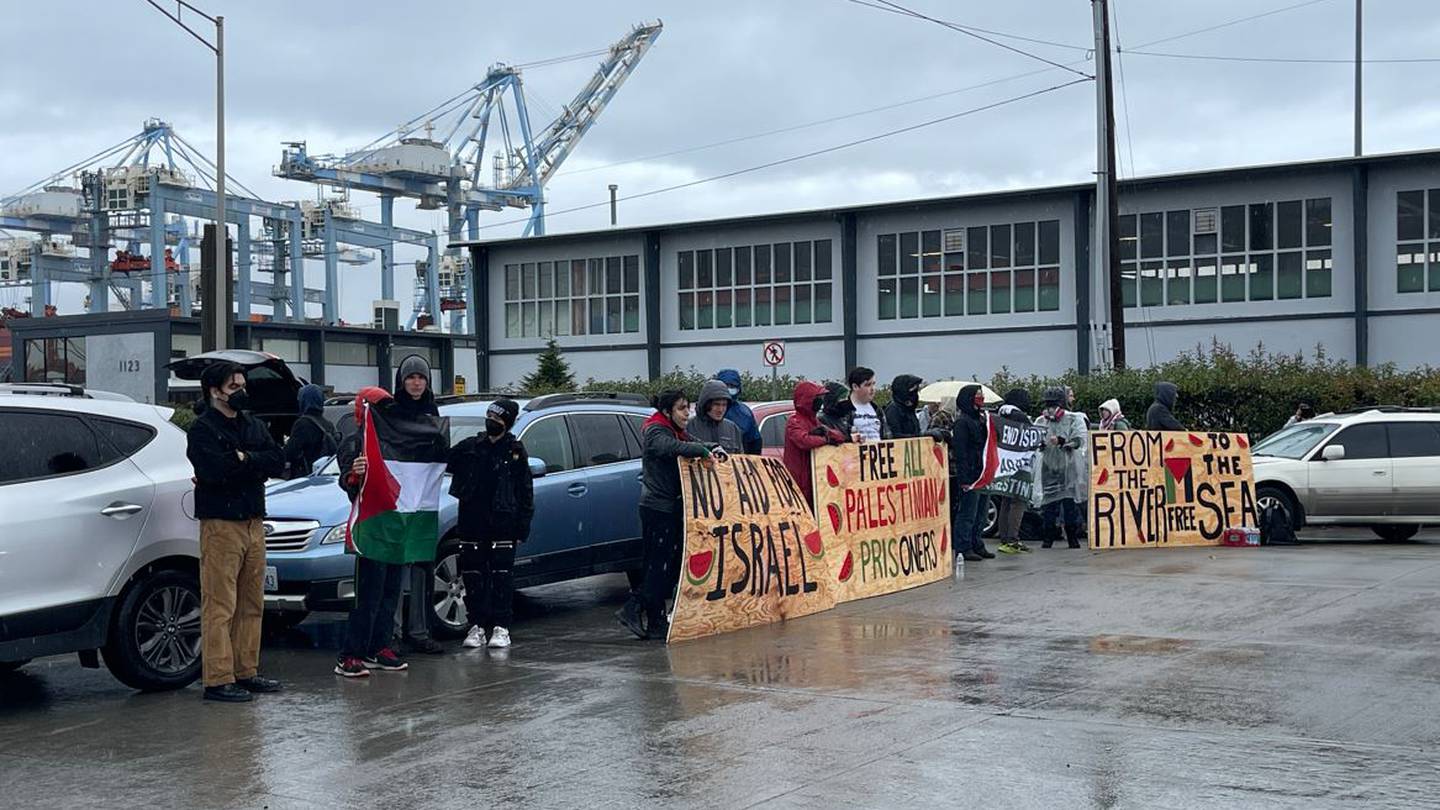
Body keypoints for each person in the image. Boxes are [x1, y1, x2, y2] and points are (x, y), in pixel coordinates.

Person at [186, 362, 286, 702]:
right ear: (215, 391)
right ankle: (218, 679)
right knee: (220, 604)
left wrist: (246, 459)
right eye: (233, 387)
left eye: (243, 385)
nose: (241, 392)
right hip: (221, 523)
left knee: (251, 602)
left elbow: (277, 459)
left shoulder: (252, 424)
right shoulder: (202, 429)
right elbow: (216, 470)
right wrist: (249, 463)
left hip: (254, 520)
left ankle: (246, 671)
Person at [617, 390, 723, 641]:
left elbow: (691, 442)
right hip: (657, 508)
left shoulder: (675, 431)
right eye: (681, 408)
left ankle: (655, 621)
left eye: (688, 408)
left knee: (666, 566)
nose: (687, 413)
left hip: (670, 507)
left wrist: (712, 447)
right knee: (658, 567)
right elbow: (672, 447)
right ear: (667, 412)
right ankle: (632, 607)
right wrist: (702, 450)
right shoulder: (657, 431)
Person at [334, 388, 411, 677]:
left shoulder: (394, 438)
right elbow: (347, 483)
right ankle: (351, 654)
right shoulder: (356, 441)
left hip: (395, 523)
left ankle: (379, 647)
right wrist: (353, 474)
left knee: (390, 591)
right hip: (370, 525)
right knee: (368, 594)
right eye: (381, 407)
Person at [447, 399, 533, 651]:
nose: (491, 422)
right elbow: (444, 460)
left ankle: (501, 627)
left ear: (507, 422)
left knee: (501, 575)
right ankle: (476, 625)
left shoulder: (515, 451)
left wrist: (522, 525)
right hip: (472, 521)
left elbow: (525, 490)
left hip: (503, 523)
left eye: (497, 419)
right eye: (489, 417)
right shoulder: (470, 447)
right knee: (473, 575)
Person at [392, 355, 445, 656]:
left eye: (421, 377)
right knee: (396, 568)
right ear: (402, 381)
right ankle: (393, 632)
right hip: (397, 502)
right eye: (411, 377)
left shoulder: (432, 412)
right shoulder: (390, 412)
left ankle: (419, 631)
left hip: (423, 501)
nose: (416, 383)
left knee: (421, 567)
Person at [1036, 386, 1086, 549]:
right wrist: (1040, 444)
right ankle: (1048, 538)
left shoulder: (1073, 419)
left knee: (1069, 505)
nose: (1050, 408)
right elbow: (1034, 440)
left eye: (1053, 404)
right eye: (1048, 404)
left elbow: (1080, 440)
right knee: (1048, 506)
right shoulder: (1041, 421)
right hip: (1048, 468)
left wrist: (1063, 441)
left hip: (1068, 468)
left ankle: (1072, 538)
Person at [784, 380, 847, 508]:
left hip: (814, 478)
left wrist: (827, 433)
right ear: (807, 400)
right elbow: (803, 441)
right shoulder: (794, 421)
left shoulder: (815, 421)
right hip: (798, 479)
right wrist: (825, 440)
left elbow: (840, 437)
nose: (820, 401)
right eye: (817, 398)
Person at [951, 384, 995, 562]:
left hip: (982, 472)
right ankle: (963, 547)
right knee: (968, 513)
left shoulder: (980, 420)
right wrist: (964, 478)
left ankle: (977, 543)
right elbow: (960, 452)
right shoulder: (962, 423)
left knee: (981, 513)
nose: (981, 399)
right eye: (977, 395)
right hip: (970, 474)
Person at [993, 388, 1035, 555]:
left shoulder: (1000, 415)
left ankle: (1004, 537)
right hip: (1020, 465)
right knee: (1019, 501)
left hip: (1004, 465)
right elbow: (1031, 439)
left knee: (1006, 500)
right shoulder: (1021, 417)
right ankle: (1013, 539)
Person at [283, 383, 340, 480]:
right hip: (324, 473)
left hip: (305, 475)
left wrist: (286, 444)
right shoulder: (328, 424)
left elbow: (291, 452)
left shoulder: (302, 424)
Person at [688, 379, 746, 454]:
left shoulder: (733, 429)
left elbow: (739, 457)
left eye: (724, 405)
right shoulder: (688, 426)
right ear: (706, 404)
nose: (720, 410)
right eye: (716, 404)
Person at [715, 369, 763, 454]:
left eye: (732, 386)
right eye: (726, 385)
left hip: (737, 459)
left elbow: (755, 442)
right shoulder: (707, 408)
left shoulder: (745, 413)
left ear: (738, 388)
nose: (729, 389)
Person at [846, 366, 890, 442]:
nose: (873, 389)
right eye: (868, 385)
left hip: (878, 448)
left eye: (874, 384)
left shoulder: (877, 410)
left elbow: (886, 435)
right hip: (856, 449)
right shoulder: (845, 410)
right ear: (855, 386)